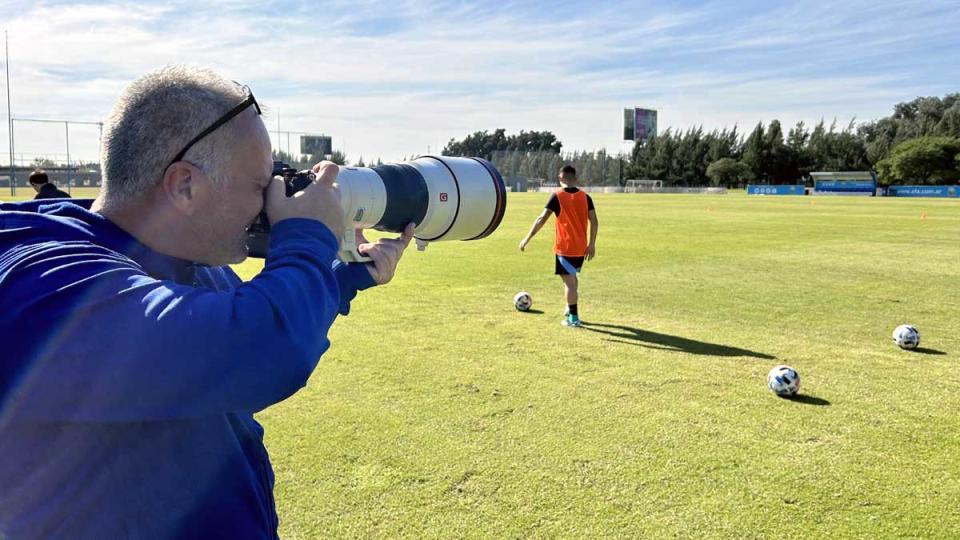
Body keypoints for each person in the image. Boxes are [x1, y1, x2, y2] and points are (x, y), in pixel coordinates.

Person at [0, 65, 413, 539]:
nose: (270, 202)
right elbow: (259, 349)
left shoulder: (179, 258)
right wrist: (307, 237)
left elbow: (232, 334)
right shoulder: (42, 282)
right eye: (261, 185)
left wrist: (341, 280)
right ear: (184, 185)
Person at [519, 165, 599, 327]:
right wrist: (592, 244)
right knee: (573, 278)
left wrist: (526, 239)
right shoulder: (586, 197)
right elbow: (595, 221)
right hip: (581, 247)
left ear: (560, 178)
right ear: (575, 178)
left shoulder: (557, 196)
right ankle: (569, 309)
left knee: (568, 283)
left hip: (565, 248)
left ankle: (573, 318)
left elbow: (541, 219)